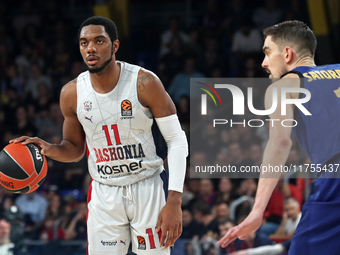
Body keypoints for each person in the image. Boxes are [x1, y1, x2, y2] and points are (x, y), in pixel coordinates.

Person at [11, 16, 188, 255]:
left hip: (147, 186)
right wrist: (49, 148)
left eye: (99, 41)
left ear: (114, 46)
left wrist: (174, 200)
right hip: (105, 192)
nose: (90, 48)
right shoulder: (71, 93)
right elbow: (74, 148)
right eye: (84, 43)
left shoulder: (144, 82)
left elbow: (176, 140)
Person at [218, 20, 340, 254]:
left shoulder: (284, 86)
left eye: (267, 52)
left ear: (287, 53)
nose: (264, 63)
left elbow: (280, 142)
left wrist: (257, 210)